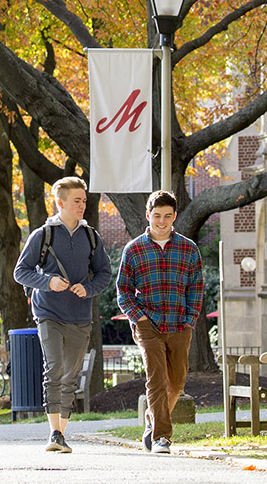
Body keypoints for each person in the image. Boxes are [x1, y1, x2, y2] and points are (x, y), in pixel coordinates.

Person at [14, 176, 112, 454]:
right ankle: (54, 432)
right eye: (77, 201)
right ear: (60, 202)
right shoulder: (43, 235)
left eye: (84, 201)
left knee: (70, 375)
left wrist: (89, 288)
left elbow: (105, 273)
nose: (82, 205)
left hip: (80, 315)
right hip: (48, 312)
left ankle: (62, 433)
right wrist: (48, 282)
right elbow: (21, 271)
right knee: (54, 368)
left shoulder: (91, 236)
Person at [116, 190, 203, 455]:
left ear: (174, 216)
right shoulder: (134, 249)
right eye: (156, 216)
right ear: (148, 216)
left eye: (167, 216)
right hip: (147, 325)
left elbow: (196, 288)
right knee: (156, 379)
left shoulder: (188, 249)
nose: (161, 221)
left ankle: (152, 421)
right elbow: (123, 291)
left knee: (176, 383)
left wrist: (189, 321)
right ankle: (161, 438)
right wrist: (139, 317)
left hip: (179, 324)